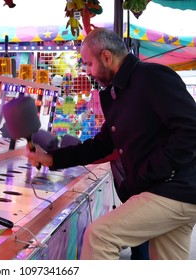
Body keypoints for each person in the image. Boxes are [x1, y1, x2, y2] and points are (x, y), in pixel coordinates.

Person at [26, 28, 196, 260]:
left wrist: (153, 172)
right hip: (170, 189)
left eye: (88, 64)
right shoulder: (118, 91)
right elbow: (102, 144)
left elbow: (191, 129)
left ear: (106, 57)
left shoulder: (152, 76)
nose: (87, 72)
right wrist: (52, 159)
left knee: (100, 236)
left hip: (174, 189)